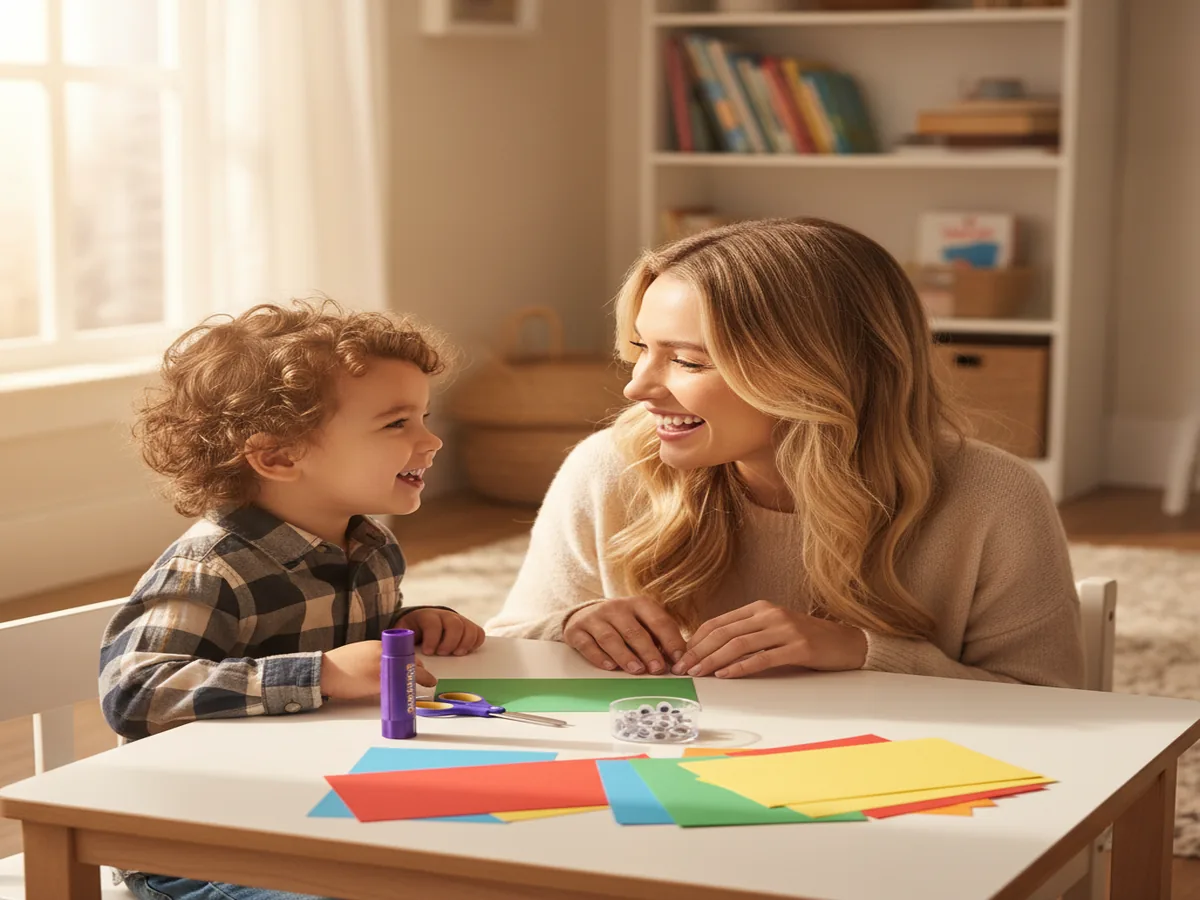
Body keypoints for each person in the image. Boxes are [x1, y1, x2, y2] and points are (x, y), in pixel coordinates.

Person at [487, 217, 1083, 689]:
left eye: (689, 360)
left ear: (817, 373)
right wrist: (571, 627)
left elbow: (1051, 707)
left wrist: (860, 653)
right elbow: (508, 641)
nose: (636, 387)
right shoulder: (608, 467)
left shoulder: (993, 496)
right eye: (640, 348)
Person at [99, 299, 486, 900]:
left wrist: (415, 622)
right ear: (279, 457)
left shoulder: (373, 546)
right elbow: (136, 692)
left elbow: (357, 645)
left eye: (423, 418)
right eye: (396, 424)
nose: (431, 441)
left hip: (310, 806)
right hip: (197, 841)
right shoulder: (209, 569)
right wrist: (323, 673)